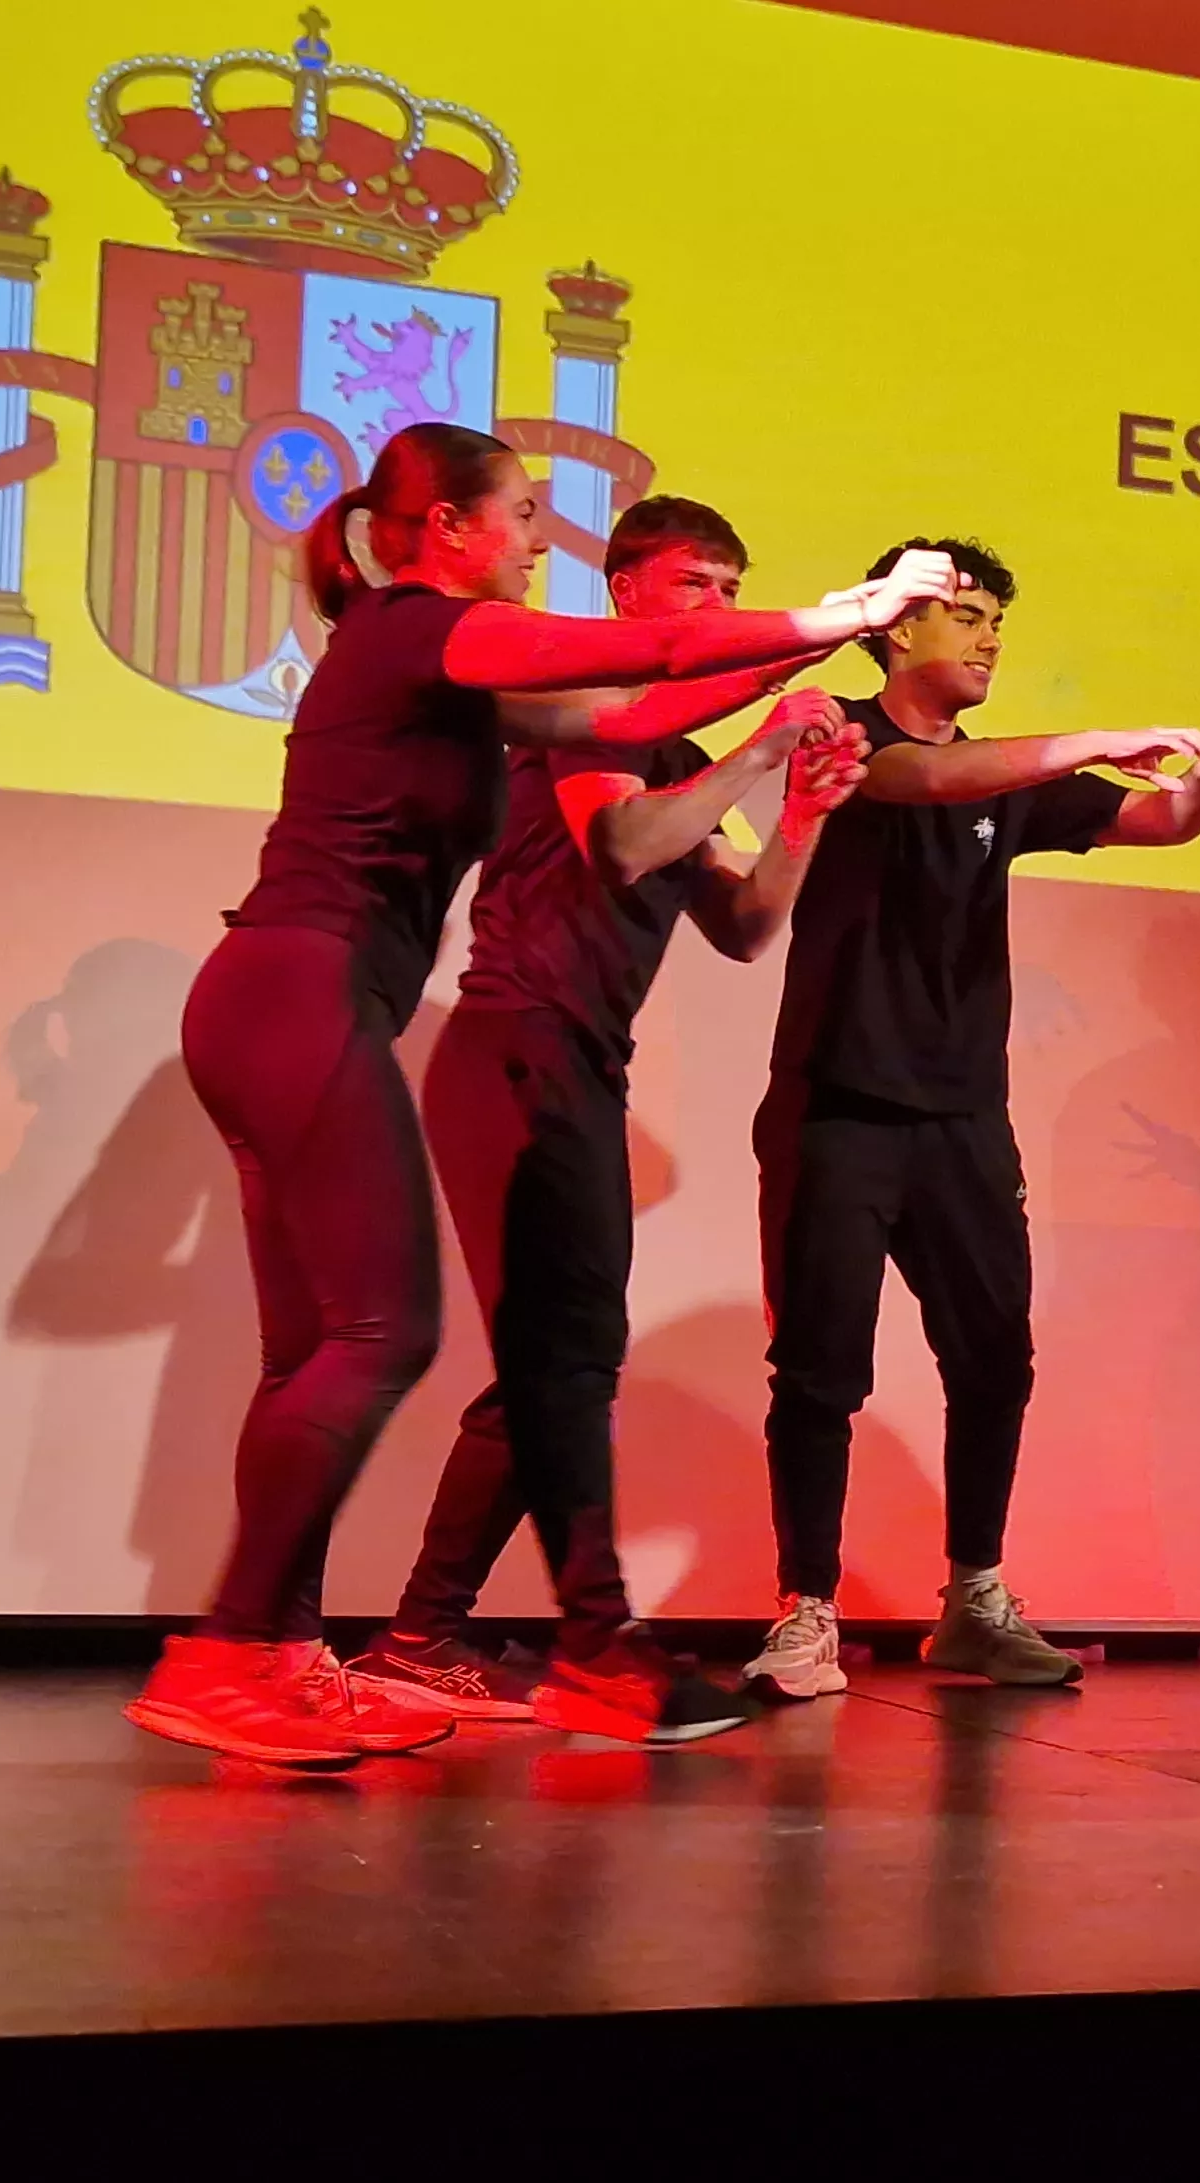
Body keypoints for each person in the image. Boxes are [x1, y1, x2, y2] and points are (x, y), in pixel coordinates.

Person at [125, 423, 965, 1769]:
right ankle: (228, 1653)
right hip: (300, 991)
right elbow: (643, 668)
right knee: (383, 1333)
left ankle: (279, 1653)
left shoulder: (453, 673)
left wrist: (796, 720)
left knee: (315, 1352)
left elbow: (638, 718)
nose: (533, 538)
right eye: (519, 514)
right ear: (448, 529)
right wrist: (855, 610)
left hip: (286, 1000)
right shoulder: (416, 627)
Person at [344, 495, 869, 1746]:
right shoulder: (590, 718)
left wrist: (800, 817)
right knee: (562, 1363)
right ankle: (559, 1638)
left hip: (579, 1066)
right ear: (624, 589)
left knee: (558, 1365)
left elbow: (743, 928)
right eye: (695, 584)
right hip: (514, 1049)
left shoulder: (678, 754)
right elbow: (627, 846)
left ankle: (428, 1635)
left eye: (733, 585)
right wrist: (756, 750)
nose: (717, 607)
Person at [744, 538, 1200, 1701]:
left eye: (1000, 617)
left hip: (960, 1116)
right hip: (835, 1105)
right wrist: (1093, 739)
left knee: (994, 1359)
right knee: (819, 1370)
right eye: (969, 615)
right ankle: (805, 1611)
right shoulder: (830, 721)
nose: (992, 635)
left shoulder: (1011, 774)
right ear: (898, 626)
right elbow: (920, 779)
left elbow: (1158, 826)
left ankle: (975, 1599)